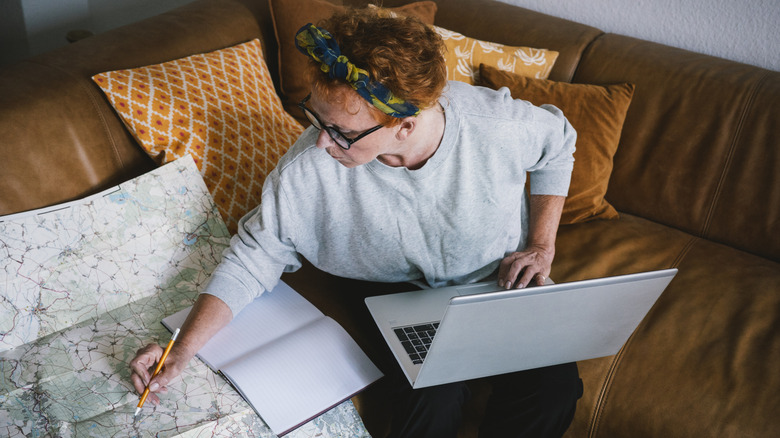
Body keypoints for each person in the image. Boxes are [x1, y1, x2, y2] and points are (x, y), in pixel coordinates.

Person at [130, 8, 582, 437]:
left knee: (553, 391)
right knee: (432, 396)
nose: (323, 142)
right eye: (317, 117)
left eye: (343, 132)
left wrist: (542, 244)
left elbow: (558, 145)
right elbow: (253, 256)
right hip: (392, 293)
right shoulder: (309, 167)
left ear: (406, 124)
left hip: (496, 281)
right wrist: (181, 350)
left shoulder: (496, 124)